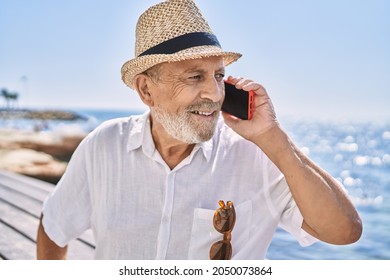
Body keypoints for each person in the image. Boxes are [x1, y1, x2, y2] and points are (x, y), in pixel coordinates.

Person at [36, 0, 362, 260]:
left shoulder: (258, 153)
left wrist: (271, 136)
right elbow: (53, 227)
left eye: (218, 76)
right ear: (146, 90)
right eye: (195, 77)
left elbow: (344, 232)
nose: (214, 93)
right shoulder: (104, 145)